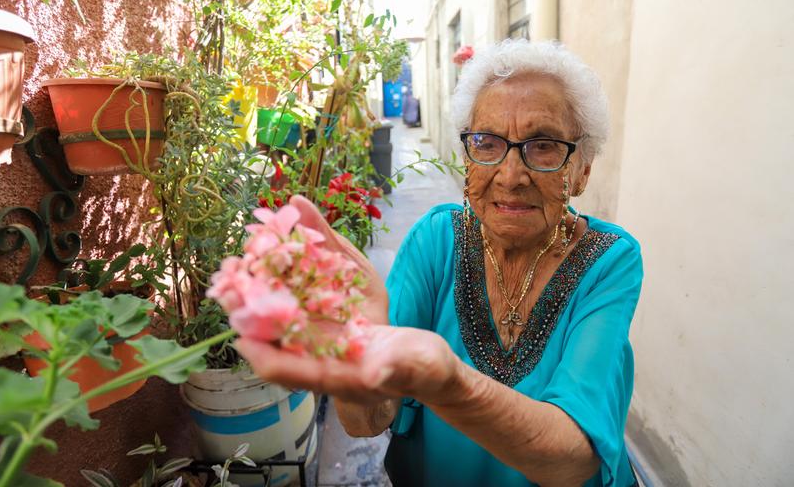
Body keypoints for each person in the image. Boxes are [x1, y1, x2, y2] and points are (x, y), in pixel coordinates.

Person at [238, 39, 643, 487]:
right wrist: (349, 361)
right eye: (487, 143)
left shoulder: (608, 261)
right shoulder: (436, 240)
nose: (510, 176)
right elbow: (367, 420)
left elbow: (572, 460)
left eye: (543, 145)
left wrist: (449, 383)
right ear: (468, 157)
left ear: (582, 169)